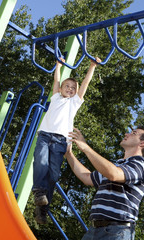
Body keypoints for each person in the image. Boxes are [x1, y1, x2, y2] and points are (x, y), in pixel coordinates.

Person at [33, 57, 101, 224]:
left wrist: (92, 66)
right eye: (67, 86)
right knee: (40, 161)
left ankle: (42, 208)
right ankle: (39, 191)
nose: (70, 89)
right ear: (61, 88)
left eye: (73, 88)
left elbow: (85, 84)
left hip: (60, 141)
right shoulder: (55, 97)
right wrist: (58, 65)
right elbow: (56, 79)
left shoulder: (74, 103)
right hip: (45, 135)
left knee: (53, 174)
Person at [65, 127, 144, 240]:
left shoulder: (140, 166)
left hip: (117, 232)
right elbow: (87, 178)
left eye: (134, 133)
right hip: (94, 230)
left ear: (142, 143)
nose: (126, 134)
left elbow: (113, 174)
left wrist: (86, 148)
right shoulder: (117, 165)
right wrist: (69, 154)